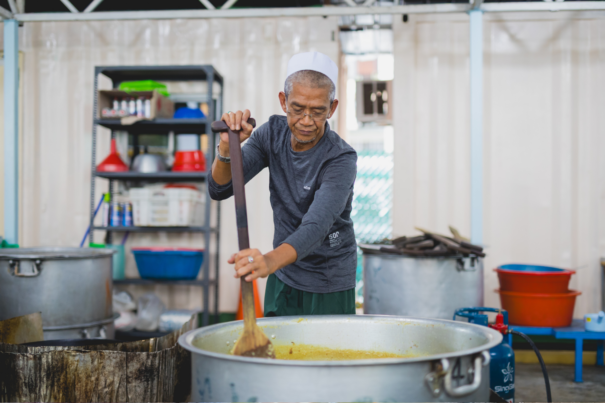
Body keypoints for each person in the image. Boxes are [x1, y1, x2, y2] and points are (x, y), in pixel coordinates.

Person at [208, 51, 357, 316]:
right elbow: (220, 188)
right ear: (283, 101)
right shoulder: (271, 135)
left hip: (327, 280)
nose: (306, 121)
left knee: (326, 356)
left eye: (318, 111)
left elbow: (316, 226)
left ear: (332, 108)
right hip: (283, 272)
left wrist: (266, 261)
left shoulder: (340, 158)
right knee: (279, 354)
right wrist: (226, 147)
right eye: (297, 109)